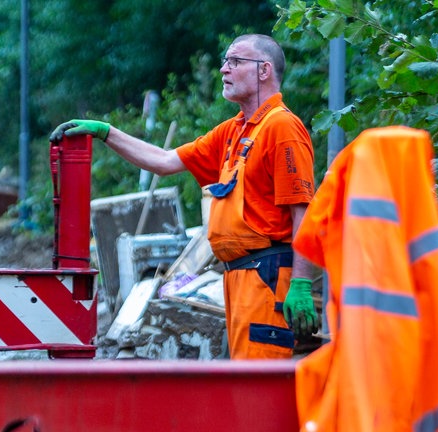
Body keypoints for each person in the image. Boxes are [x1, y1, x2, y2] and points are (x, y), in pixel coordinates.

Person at [51, 34, 318, 360]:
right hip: (239, 278)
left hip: (267, 277)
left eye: (234, 61)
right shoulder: (234, 131)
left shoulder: (282, 127)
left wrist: (301, 284)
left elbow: (302, 212)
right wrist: (106, 132)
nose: (223, 69)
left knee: (257, 391)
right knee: (244, 384)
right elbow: (164, 161)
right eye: (224, 61)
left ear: (263, 70)